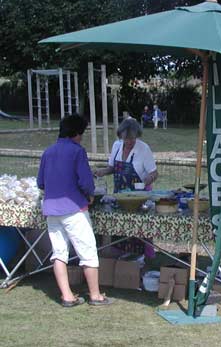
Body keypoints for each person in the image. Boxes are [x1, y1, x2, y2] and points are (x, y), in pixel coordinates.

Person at [37, 114, 112, 307]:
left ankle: (67, 295)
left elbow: (41, 183)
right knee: (88, 251)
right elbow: (86, 181)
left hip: (51, 211)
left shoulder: (48, 152)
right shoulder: (77, 151)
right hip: (73, 209)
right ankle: (95, 295)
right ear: (77, 133)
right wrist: (90, 194)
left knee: (59, 253)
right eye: (82, 133)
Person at [95, 118, 158, 257]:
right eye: (126, 139)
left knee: (139, 230)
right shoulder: (116, 146)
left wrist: (147, 180)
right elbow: (112, 168)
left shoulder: (143, 149)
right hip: (119, 197)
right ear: (120, 136)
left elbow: (154, 173)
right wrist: (103, 171)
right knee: (120, 230)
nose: (129, 142)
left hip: (138, 198)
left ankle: (141, 259)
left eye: (132, 139)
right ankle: (122, 260)